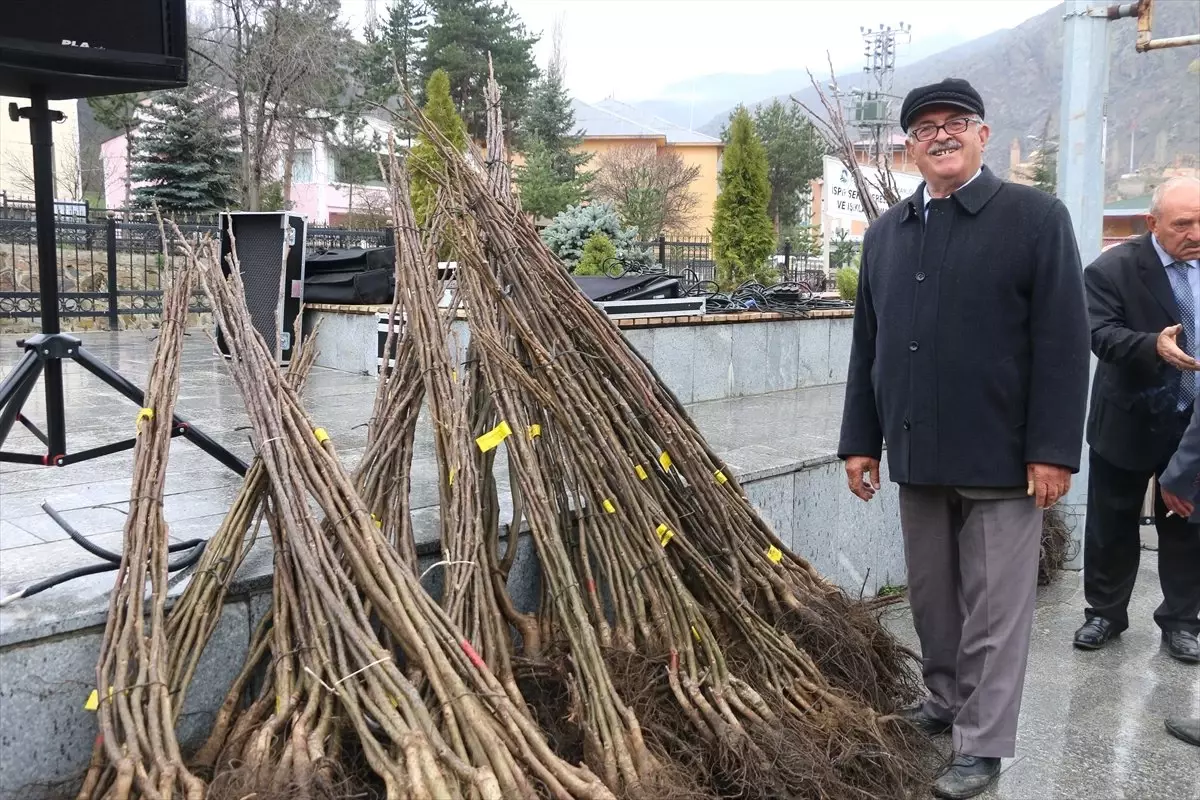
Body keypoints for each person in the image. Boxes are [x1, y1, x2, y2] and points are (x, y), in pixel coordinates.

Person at [838, 77, 1091, 800]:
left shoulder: (1035, 218)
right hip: (918, 452)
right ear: (908, 146)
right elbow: (870, 347)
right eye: (924, 128)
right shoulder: (888, 233)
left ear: (983, 134)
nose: (940, 135)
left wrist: (1051, 449)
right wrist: (862, 440)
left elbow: (1064, 343)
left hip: (1004, 457)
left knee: (995, 611)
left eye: (956, 122)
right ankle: (944, 701)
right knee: (933, 600)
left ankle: (981, 744)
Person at [1073, 176, 1200, 663]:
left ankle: (1182, 621)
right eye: (1182, 223)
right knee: (1112, 520)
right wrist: (1152, 346)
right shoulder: (1114, 269)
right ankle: (1105, 612)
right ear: (1153, 224)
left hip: (1191, 425)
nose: (1194, 232)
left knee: (1187, 521)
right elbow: (1099, 334)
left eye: (1199, 221)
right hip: (1128, 416)